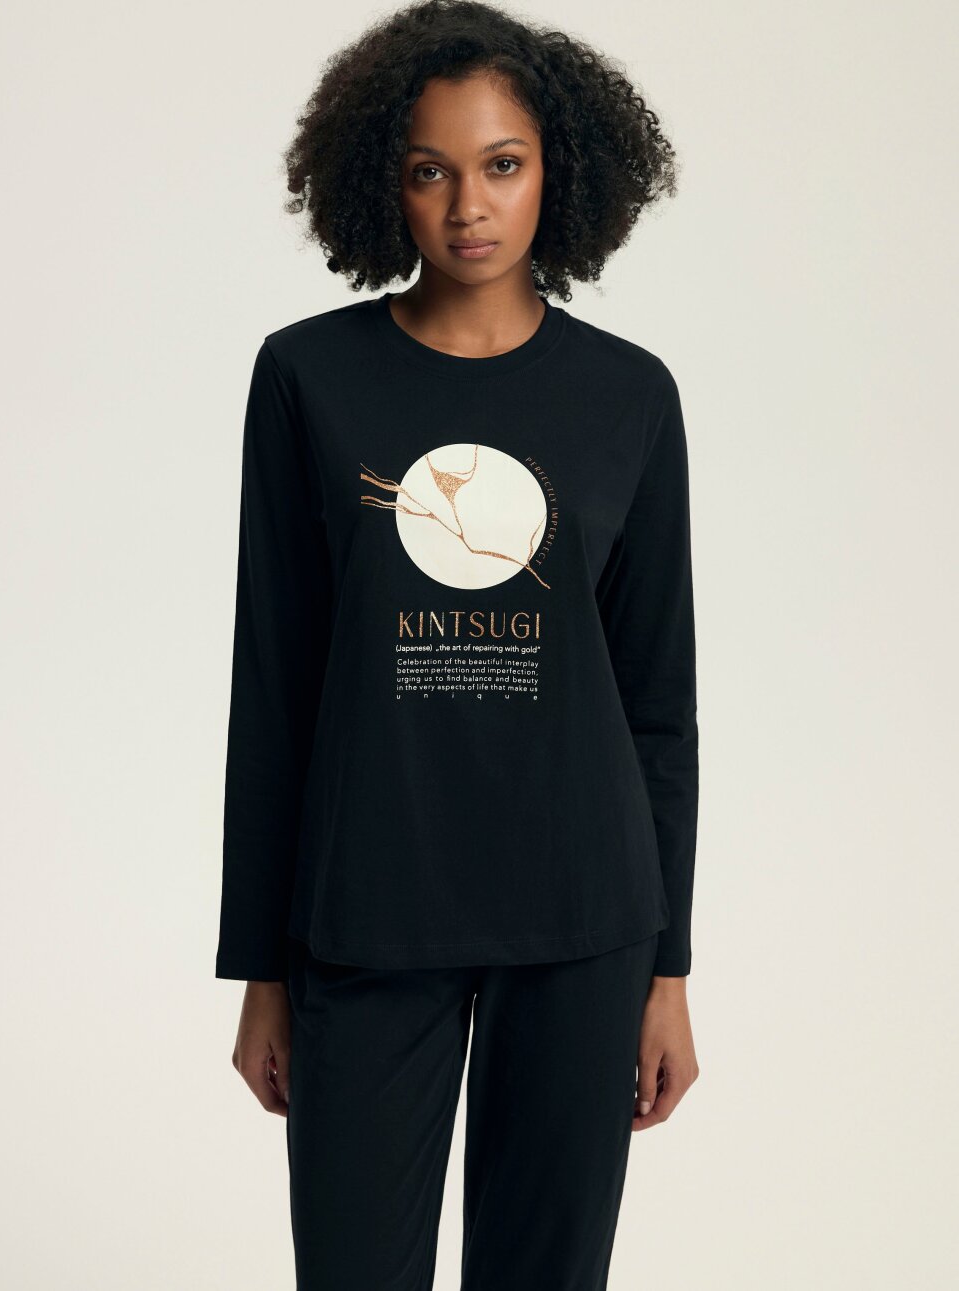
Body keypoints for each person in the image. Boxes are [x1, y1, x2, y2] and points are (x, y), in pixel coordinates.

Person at [215, 1, 701, 1286]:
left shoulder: (629, 395)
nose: (468, 205)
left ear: (559, 172)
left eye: (502, 164)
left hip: (585, 915)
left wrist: (667, 970)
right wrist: (260, 969)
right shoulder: (308, 378)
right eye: (429, 169)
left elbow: (658, 705)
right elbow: (274, 684)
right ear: (383, 182)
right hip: (367, 909)